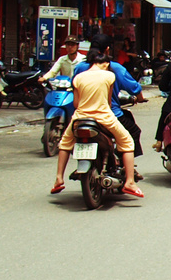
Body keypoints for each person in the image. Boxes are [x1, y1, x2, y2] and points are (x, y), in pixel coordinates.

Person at [50, 47, 143, 198]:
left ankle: (58, 178)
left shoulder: (78, 77)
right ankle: (130, 182)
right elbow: (107, 101)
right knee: (126, 142)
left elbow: (76, 103)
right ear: (105, 63)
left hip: (80, 117)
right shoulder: (109, 76)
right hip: (104, 117)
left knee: (64, 144)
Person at [76, 33, 145, 162]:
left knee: (66, 143)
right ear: (107, 49)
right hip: (108, 115)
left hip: (82, 115)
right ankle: (125, 169)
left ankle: (59, 176)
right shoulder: (114, 68)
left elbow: (75, 95)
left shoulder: (80, 68)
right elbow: (134, 88)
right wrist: (140, 98)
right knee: (131, 135)